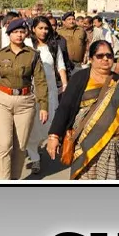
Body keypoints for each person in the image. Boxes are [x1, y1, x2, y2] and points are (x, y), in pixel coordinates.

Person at [46, 39, 119, 180]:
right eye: (100, 56)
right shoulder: (80, 79)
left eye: (109, 56)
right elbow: (65, 108)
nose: (105, 59)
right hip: (85, 145)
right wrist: (54, 136)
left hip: (114, 148)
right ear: (91, 59)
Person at [0, 18, 49, 180]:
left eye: (21, 32)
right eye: (15, 32)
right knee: (4, 145)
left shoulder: (32, 55)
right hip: (2, 101)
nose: (19, 35)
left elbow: (40, 81)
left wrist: (44, 105)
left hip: (25, 103)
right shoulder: (0, 55)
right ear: (9, 34)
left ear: (25, 34)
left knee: (20, 147)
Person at [25, 15, 67, 175]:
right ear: (33, 29)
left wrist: (64, 83)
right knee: (31, 125)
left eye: (46, 28)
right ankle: (34, 157)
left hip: (50, 91)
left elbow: (60, 65)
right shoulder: (27, 44)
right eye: (40, 28)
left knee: (48, 123)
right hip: (31, 91)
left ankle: (41, 145)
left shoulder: (53, 45)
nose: (43, 31)